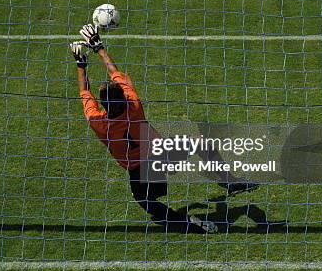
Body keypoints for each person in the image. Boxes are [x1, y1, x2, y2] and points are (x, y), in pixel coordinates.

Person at [70, 24, 220, 234]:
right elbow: (115, 73)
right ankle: (229, 181)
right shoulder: (134, 106)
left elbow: (84, 90)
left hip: (138, 173)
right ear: (124, 96)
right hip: (162, 155)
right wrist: (99, 48)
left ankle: (187, 223)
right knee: (201, 143)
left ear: (103, 104)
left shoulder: (99, 123)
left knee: (147, 203)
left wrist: (80, 64)